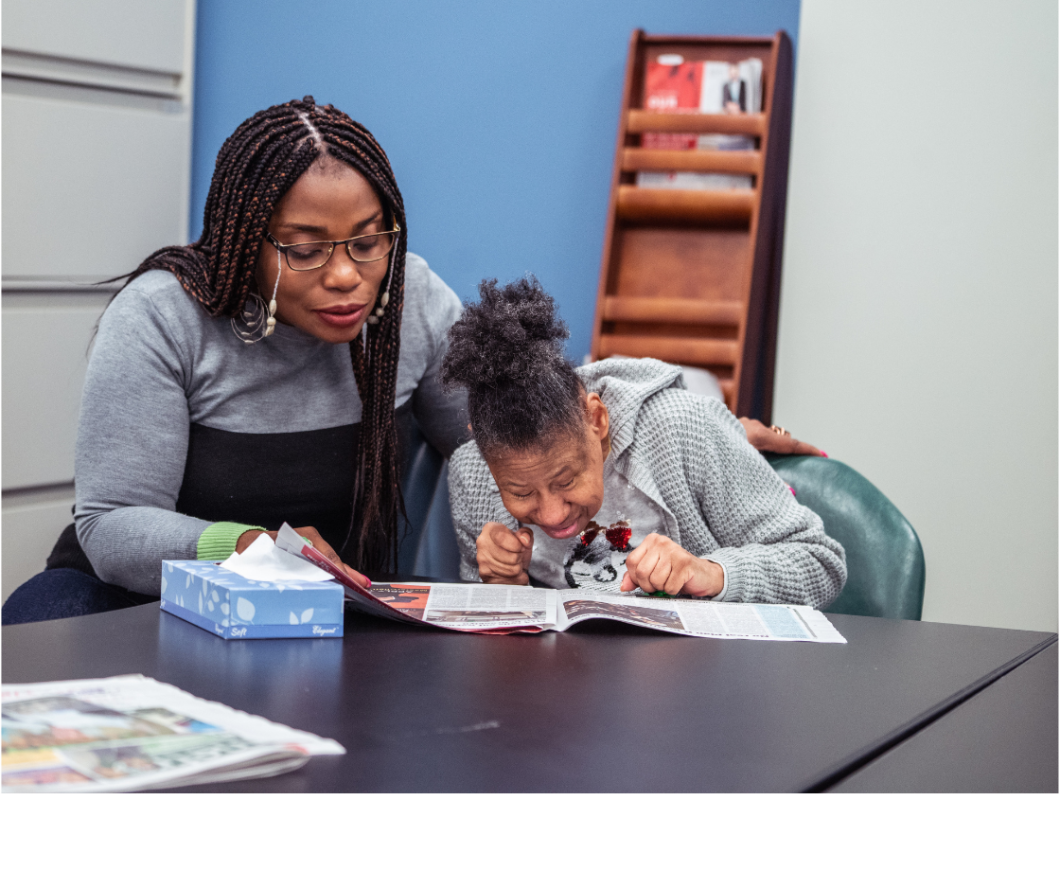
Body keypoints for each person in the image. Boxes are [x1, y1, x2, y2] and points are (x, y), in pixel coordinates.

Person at [0, 97, 467, 625]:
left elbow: (495, 446)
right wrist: (247, 545)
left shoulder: (415, 301)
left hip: (313, 614)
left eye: (367, 241)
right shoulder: (162, 315)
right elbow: (110, 526)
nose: (344, 275)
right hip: (138, 602)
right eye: (305, 250)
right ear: (247, 243)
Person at [442, 277, 846, 606]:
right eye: (520, 491)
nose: (550, 515)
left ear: (596, 419)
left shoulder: (685, 430)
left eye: (566, 481)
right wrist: (502, 588)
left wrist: (711, 573)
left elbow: (819, 562)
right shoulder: (472, 474)